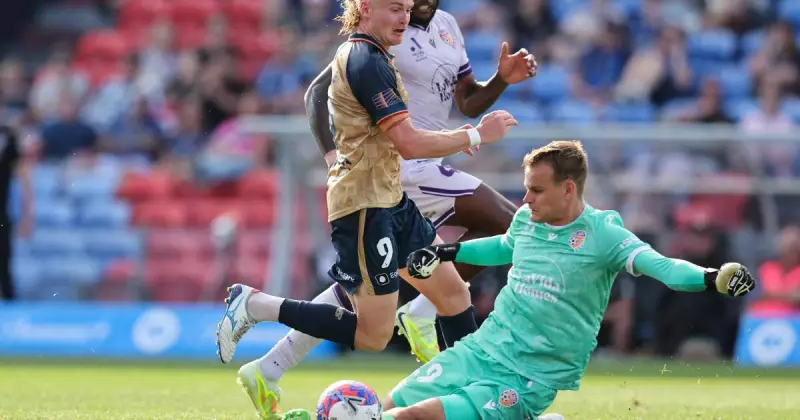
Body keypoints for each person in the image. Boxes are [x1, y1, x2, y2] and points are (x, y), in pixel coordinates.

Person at [279, 140, 757, 420]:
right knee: (388, 403)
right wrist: (446, 251)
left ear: (569, 189)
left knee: (406, 418)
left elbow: (663, 266)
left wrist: (713, 277)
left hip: (530, 376)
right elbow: (504, 247)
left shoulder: (604, 234)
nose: (524, 200)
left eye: (536, 190)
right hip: (482, 351)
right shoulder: (529, 221)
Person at [216, 0, 519, 418]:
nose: (404, 17)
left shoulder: (399, 44)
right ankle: (256, 305)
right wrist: (475, 137)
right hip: (366, 202)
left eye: (406, 9)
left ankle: (465, 392)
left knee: (451, 294)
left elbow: (452, 108)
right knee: (373, 332)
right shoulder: (363, 58)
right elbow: (407, 140)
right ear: (365, 9)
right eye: (395, 8)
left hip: (392, 192)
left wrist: (495, 88)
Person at [0, 124, 33, 301]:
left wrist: (27, 215)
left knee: (5, 266)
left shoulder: (9, 138)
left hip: (2, 215)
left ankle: (9, 307)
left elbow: (23, 176)